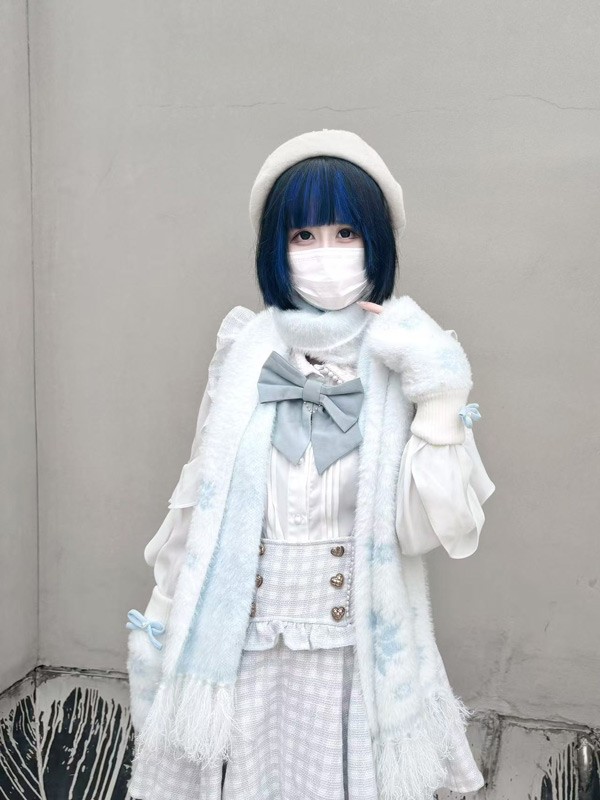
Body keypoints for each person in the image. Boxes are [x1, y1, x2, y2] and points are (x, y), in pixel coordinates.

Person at [125, 129, 496, 800]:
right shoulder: (244, 352)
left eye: (346, 232)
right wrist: (163, 611)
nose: (327, 253)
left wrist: (441, 392)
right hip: (241, 653)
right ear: (277, 248)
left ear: (376, 243)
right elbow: (200, 491)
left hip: (355, 661)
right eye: (303, 235)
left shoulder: (404, 357)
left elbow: (434, 529)